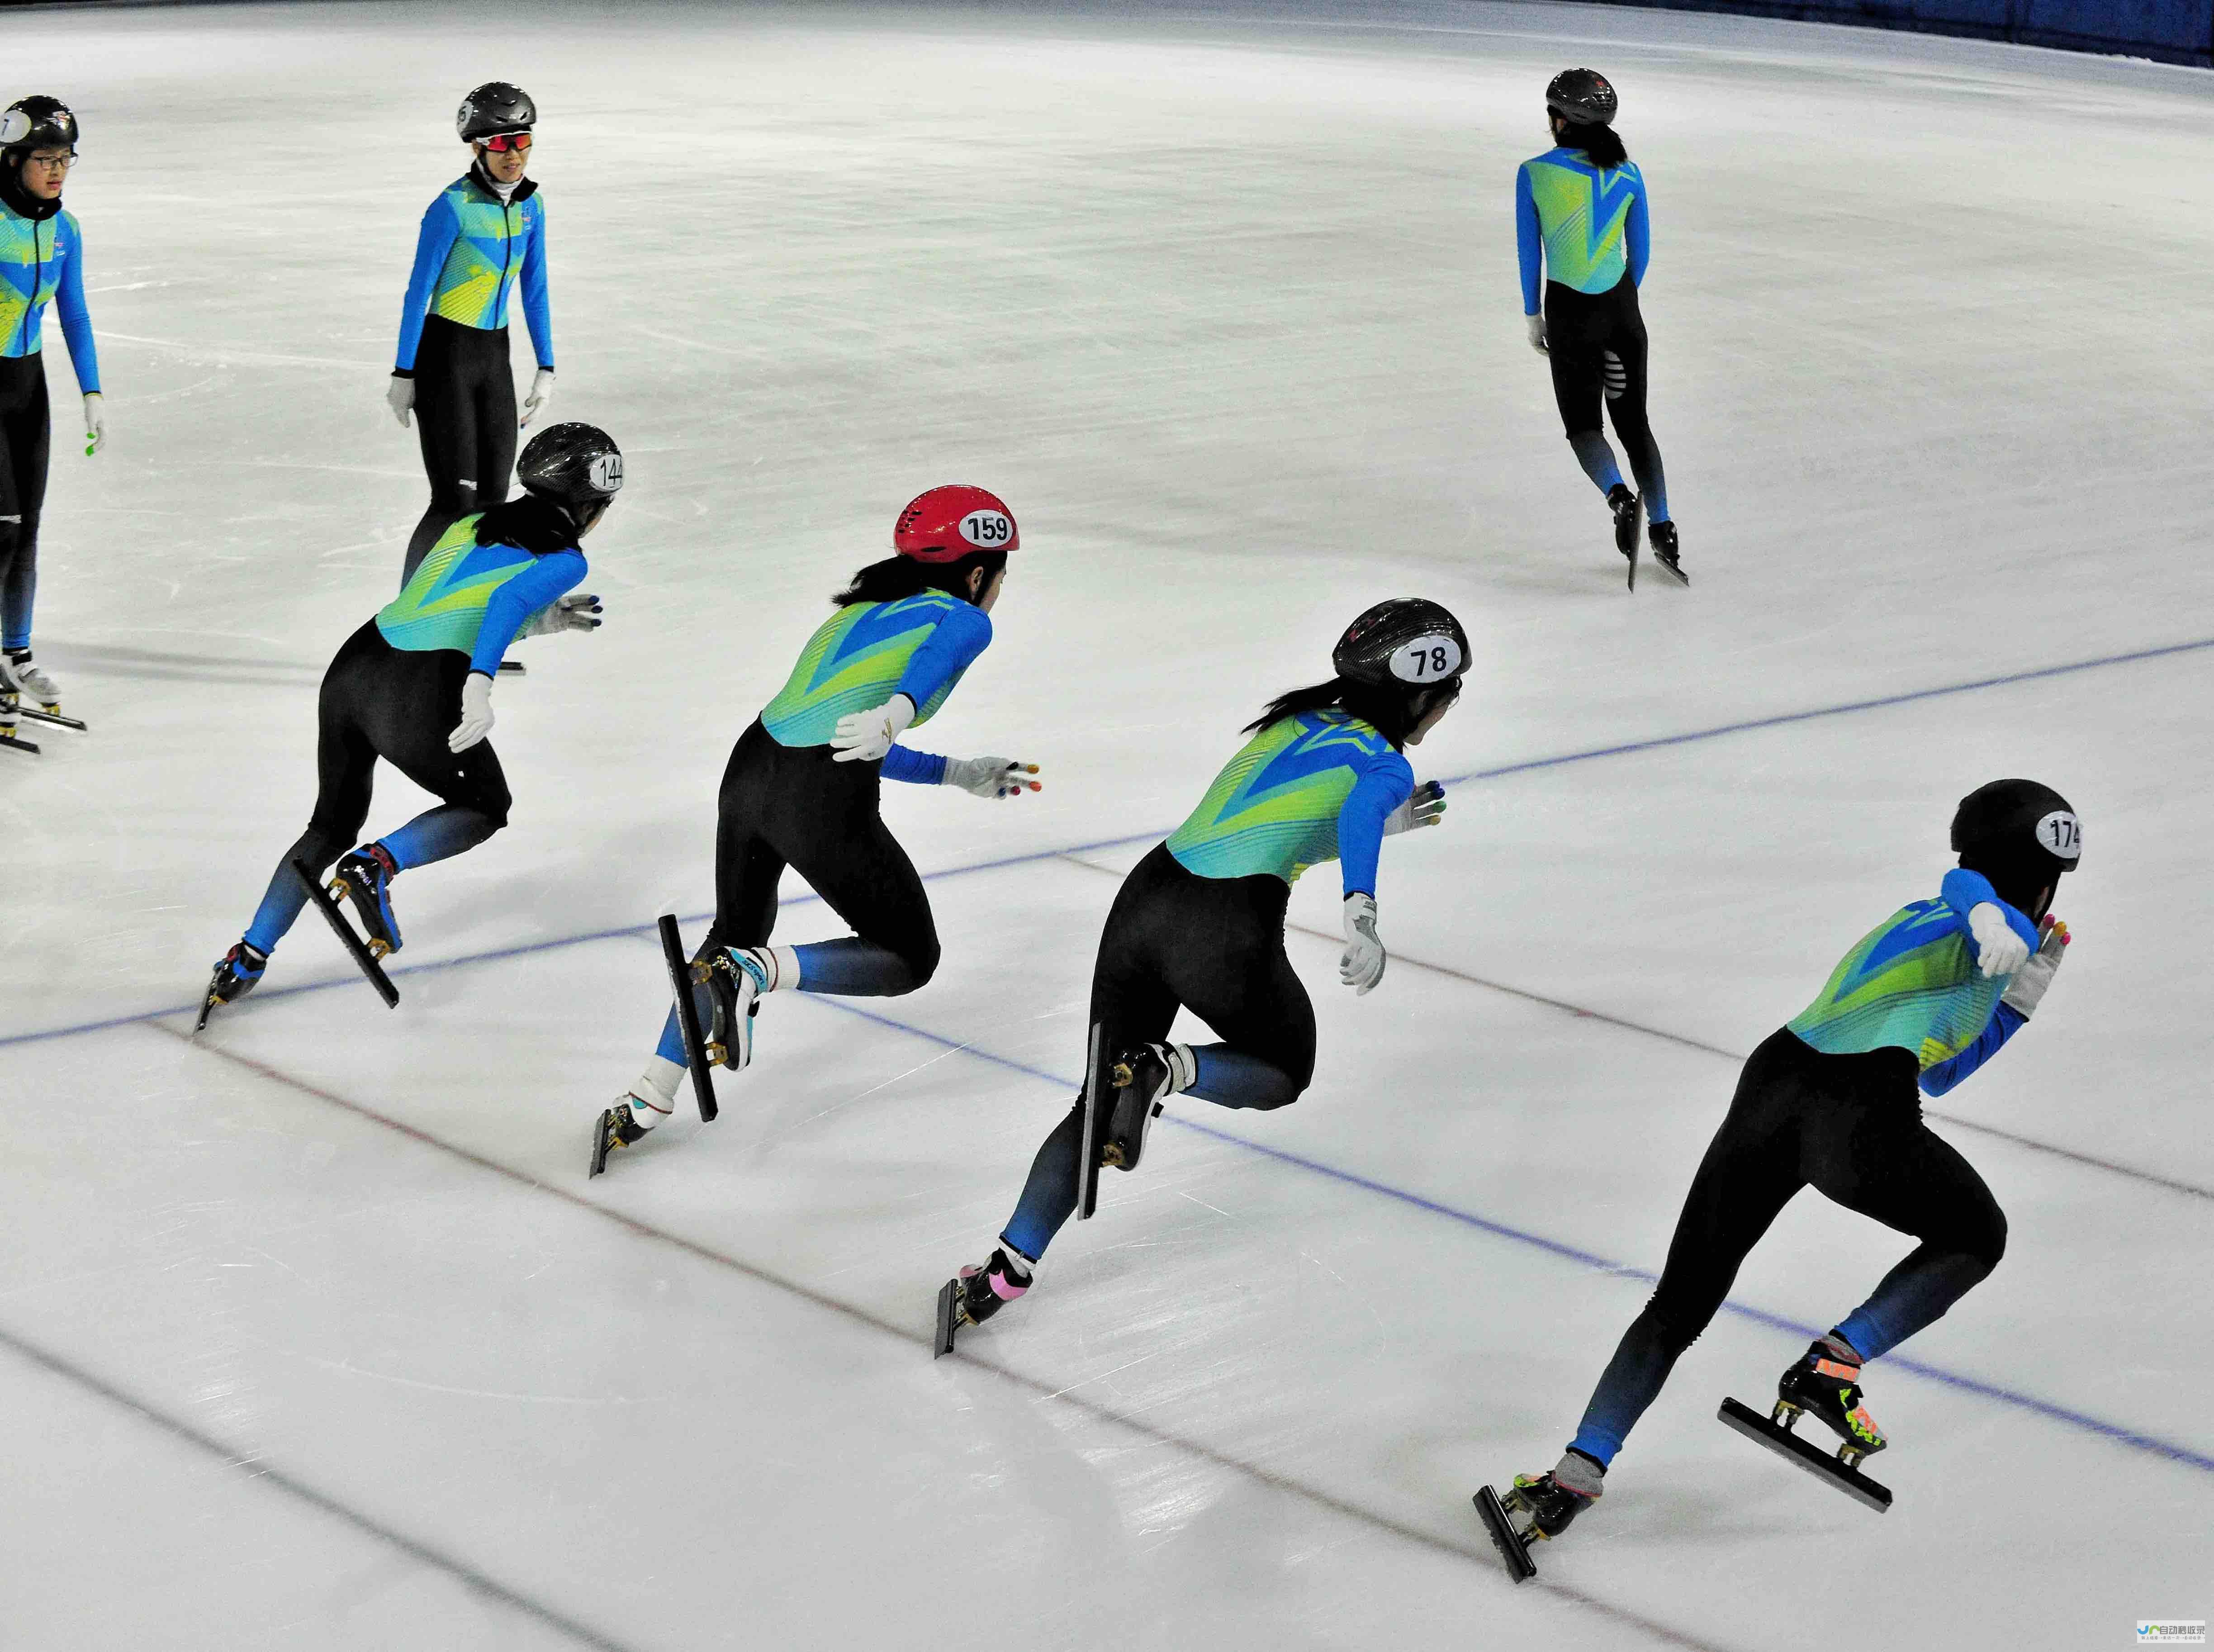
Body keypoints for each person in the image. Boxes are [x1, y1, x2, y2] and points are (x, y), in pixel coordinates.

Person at [1480, 780, 2081, 1551]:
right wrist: (1999, 928)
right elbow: (1967, 893)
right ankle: (1836, 1363)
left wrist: (2014, 1004)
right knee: (1978, 1234)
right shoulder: (1984, 922)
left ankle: (1573, 1472)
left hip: (1774, 1085)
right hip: (1855, 1111)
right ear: (2042, 879)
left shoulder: (1930, 922)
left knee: (1679, 1304)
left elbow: (1941, 1069)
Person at [939, 599, 1462, 1339]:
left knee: (1097, 1102)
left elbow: (1288, 814)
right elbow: (1351, 815)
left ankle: (1004, 1270)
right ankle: (1169, 1068)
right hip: (1222, 927)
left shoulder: (1296, 721)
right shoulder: (1384, 761)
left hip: (1146, 898)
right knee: (1284, 1065)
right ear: (1421, 695)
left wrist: (1385, 817)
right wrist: (1362, 915)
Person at [591, 484, 1043, 1175]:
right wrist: (899, 709)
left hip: (751, 770)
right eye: (999, 576)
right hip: (815, 797)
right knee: (906, 956)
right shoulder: (960, 616)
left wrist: (958, 771)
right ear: (977, 573)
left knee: (729, 935)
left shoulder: (856, 614)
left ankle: (646, 1097)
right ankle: (759, 972)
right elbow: (932, 663)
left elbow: (846, 737)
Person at [200, 423, 618, 1022]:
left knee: (328, 826)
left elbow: (445, 600)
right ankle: (379, 865)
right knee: (485, 805)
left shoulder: (472, 523)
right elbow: (501, 604)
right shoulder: (566, 560)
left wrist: (541, 623)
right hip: (416, 691)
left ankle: (246, 955)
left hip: (355, 665)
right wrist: (480, 681)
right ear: (590, 504)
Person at [1516, 69, 1683, 586]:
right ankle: (1662, 527)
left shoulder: (1534, 172)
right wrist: (1619, 303)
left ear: (1558, 120)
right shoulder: (1629, 173)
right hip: (1623, 315)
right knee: (1635, 425)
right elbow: (1643, 254)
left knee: (1584, 426)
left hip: (1570, 317)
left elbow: (1530, 254)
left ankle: (1618, 498)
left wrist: (1533, 316)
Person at [388, 82, 554, 580]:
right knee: (452, 500)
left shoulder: (531, 207)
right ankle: (404, 631)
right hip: (446, 360)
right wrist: (403, 371)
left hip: (493, 359)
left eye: (523, 141)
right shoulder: (451, 207)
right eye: (503, 144)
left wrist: (546, 367)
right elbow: (417, 296)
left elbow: (536, 289)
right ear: (478, 147)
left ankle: (466, 623)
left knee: (492, 500)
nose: (515, 155)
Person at [0, 95, 102, 736]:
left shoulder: (66, 230)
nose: (58, 170)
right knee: (1, 529)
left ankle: (18, 654)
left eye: (66, 159)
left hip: (28, 390)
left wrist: (92, 391)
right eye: (45, 159)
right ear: (13, 160)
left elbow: (76, 315)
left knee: (28, 529)